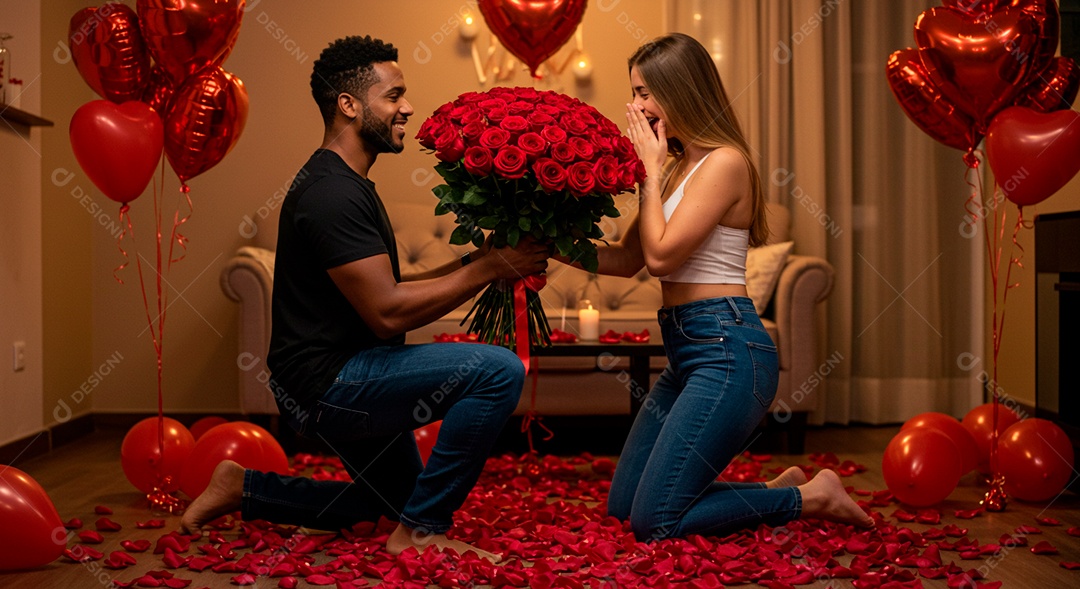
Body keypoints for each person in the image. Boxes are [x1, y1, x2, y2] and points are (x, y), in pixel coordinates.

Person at [180, 35, 548, 561]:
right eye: (394, 96)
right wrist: (491, 268)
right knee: (498, 370)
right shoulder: (331, 194)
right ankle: (421, 533)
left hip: (344, 373)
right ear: (349, 105)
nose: (408, 108)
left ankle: (244, 488)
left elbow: (390, 289)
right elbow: (386, 313)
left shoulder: (347, 183)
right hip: (330, 384)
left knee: (391, 504)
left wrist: (481, 262)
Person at [563, 33, 874, 540]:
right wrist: (543, 243)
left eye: (644, 93)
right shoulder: (673, 169)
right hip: (687, 352)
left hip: (729, 352)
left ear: (679, 90)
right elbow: (624, 260)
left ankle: (812, 496)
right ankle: (775, 489)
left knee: (655, 522)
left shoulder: (725, 162)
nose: (635, 107)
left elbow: (661, 258)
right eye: (634, 92)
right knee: (624, 510)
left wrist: (648, 171)